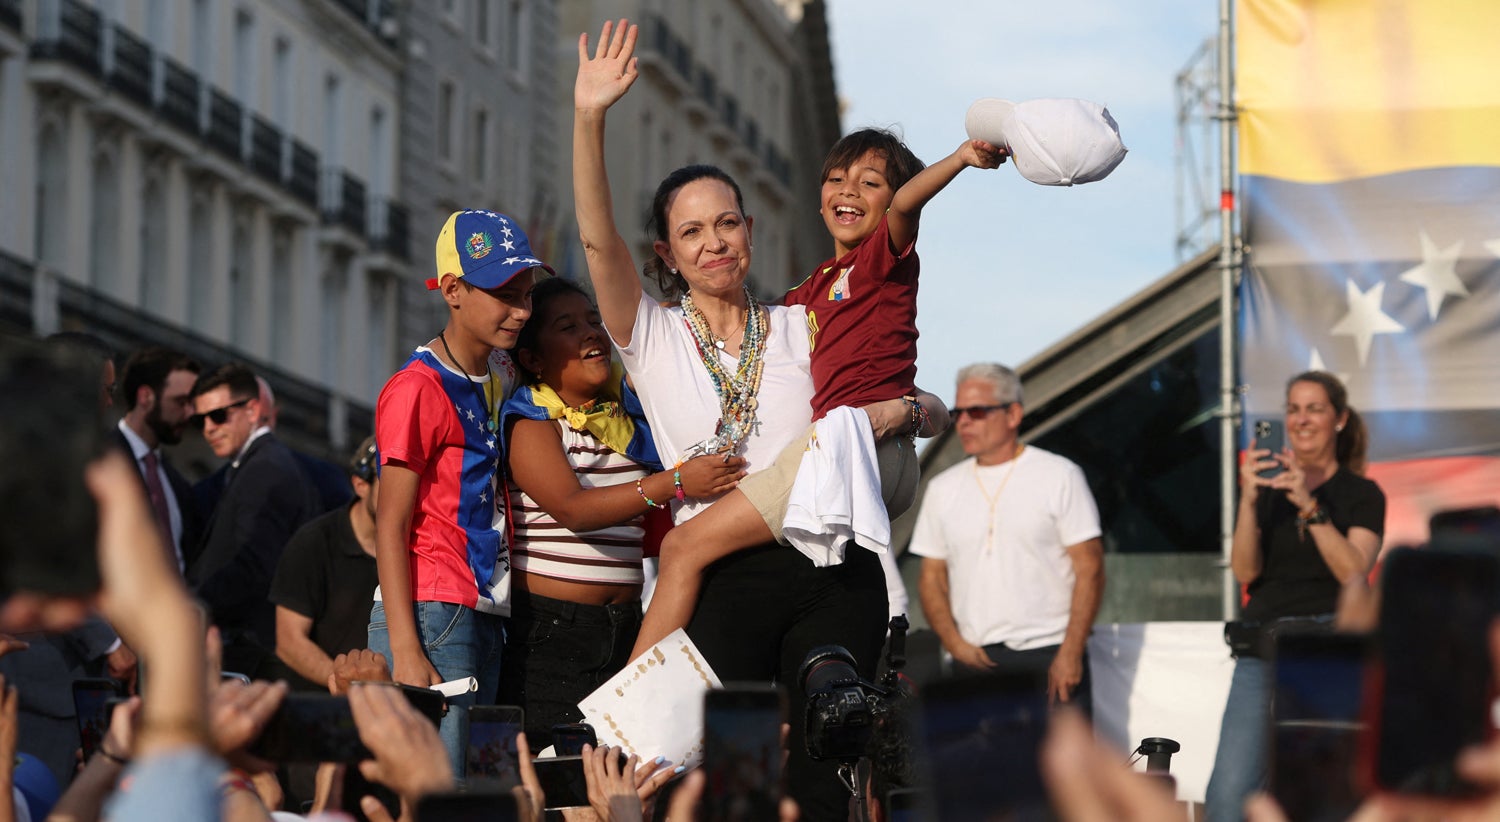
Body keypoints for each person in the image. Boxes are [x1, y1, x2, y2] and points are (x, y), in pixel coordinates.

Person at [573, 20, 934, 818]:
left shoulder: (800, 322)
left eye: (727, 223)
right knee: (699, 782)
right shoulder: (652, 335)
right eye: (691, 232)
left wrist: (916, 406)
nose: (714, 244)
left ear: (750, 228)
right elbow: (598, 247)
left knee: (820, 771)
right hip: (727, 579)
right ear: (666, 253)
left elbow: (888, 356)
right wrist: (591, 118)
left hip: (829, 569)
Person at [628, 124, 999, 657]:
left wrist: (960, 158)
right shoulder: (806, 297)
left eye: (870, 183)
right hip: (865, 453)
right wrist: (917, 410)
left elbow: (905, 208)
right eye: (836, 179)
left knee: (684, 544)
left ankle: (625, 713)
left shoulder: (879, 260)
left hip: (854, 449)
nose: (848, 190)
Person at [497, 277, 744, 752]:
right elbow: (574, 510)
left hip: (628, 625)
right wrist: (674, 482)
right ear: (533, 359)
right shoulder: (532, 423)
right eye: (568, 327)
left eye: (594, 322)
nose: (591, 333)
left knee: (619, 776)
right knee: (556, 781)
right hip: (551, 635)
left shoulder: (627, 420)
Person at [369, 208, 551, 776]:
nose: (521, 311)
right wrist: (404, 646)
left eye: (525, 293)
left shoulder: (499, 373)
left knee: (478, 794)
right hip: (431, 612)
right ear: (452, 290)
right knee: (435, 795)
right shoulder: (416, 388)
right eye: (503, 294)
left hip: (484, 608)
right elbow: (389, 522)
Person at [1204, 370, 1384, 822]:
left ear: (1339, 419)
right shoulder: (1266, 491)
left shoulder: (1361, 494)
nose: (1302, 419)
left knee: (1317, 796)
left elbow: (1353, 571)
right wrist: (1248, 500)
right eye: (1293, 409)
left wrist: (1309, 505)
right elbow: (1245, 570)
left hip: (1326, 653)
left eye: (1315, 408)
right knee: (1228, 796)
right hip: (1261, 649)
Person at [910, 363, 1105, 712]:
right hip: (974, 659)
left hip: (1048, 654)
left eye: (977, 411)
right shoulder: (942, 488)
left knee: (1060, 768)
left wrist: (1070, 654)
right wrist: (954, 644)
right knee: (980, 768)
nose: (964, 422)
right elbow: (931, 577)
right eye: (958, 412)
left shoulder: (1059, 475)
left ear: (1013, 414)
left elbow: (1090, 568)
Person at [188, 362, 321, 679]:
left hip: (250, 653)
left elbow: (254, 564)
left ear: (251, 410)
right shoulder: (255, 465)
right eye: (200, 419)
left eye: (218, 415)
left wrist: (189, 606)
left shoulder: (265, 468)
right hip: (244, 648)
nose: (208, 428)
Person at [269, 436, 382, 691]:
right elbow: (289, 643)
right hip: (321, 709)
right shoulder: (314, 541)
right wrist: (349, 685)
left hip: (383, 704)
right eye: (390, 479)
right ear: (360, 484)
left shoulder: (417, 545)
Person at [115, 346, 203, 571]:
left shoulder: (178, 487)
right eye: (180, 402)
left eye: (192, 404)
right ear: (146, 397)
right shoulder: (100, 460)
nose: (190, 413)